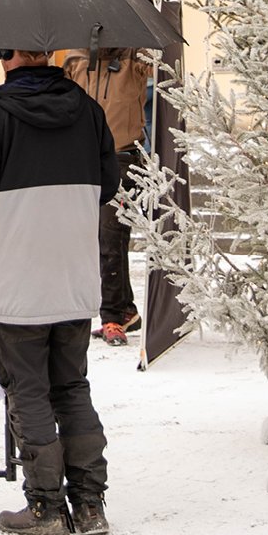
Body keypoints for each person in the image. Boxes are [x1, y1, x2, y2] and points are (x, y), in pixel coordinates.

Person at [0, 48, 118, 535]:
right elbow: (108, 182)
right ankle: (90, 505)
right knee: (72, 386)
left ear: (4, 56)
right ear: (48, 52)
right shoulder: (87, 109)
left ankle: (45, 506)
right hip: (73, 272)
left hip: (15, 274)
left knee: (27, 390)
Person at [62, 47, 150, 346]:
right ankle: (124, 308)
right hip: (81, 158)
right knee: (91, 239)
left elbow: (164, 69)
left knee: (110, 237)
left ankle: (112, 315)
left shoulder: (136, 58)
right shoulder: (76, 59)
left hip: (122, 158)